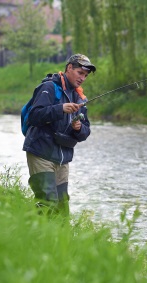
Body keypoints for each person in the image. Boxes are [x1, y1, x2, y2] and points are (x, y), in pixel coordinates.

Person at [23, 54, 96, 216]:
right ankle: (36, 238)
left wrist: (78, 128)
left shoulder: (80, 97)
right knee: (47, 202)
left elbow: (86, 132)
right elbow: (34, 116)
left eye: (85, 75)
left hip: (63, 159)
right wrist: (60, 108)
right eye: (80, 73)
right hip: (41, 152)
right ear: (69, 68)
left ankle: (61, 240)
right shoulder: (49, 88)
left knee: (62, 208)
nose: (83, 78)